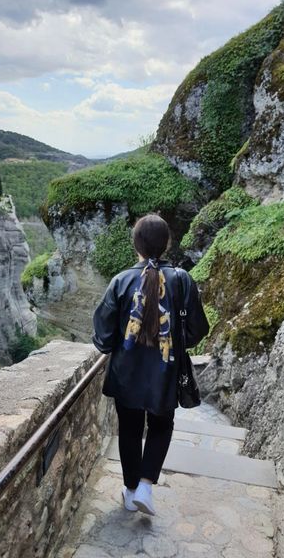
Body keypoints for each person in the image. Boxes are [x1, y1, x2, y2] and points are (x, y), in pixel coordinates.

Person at [92, 213, 209, 515]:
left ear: (136, 244)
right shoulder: (182, 280)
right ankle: (145, 485)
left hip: (126, 375)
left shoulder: (121, 281)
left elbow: (103, 338)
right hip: (166, 374)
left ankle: (131, 491)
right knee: (161, 425)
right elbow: (197, 329)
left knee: (129, 429)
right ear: (167, 243)